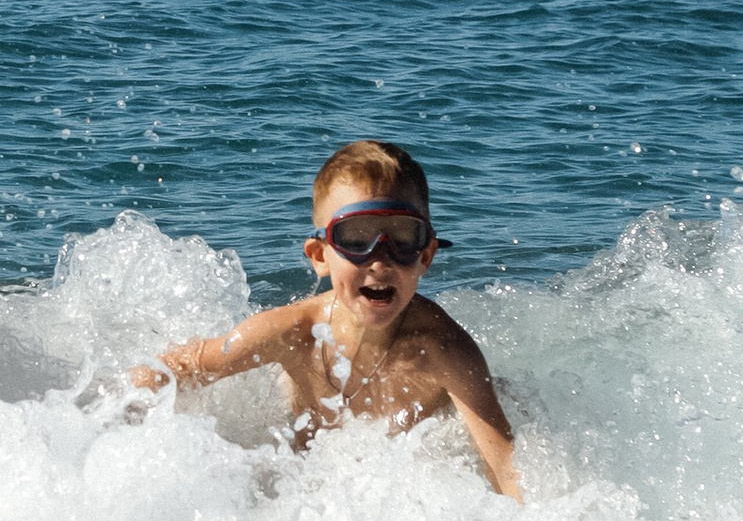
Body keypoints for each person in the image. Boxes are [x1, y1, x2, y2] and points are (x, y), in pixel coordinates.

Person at [130, 137, 521, 500]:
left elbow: (507, 470)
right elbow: (185, 367)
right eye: (356, 238)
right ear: (320, 256)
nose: (380, 260)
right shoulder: (293, 332)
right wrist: (118, 417)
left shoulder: (444, 351)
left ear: (426, 256)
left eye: (403, 238)